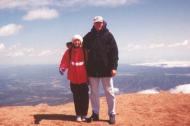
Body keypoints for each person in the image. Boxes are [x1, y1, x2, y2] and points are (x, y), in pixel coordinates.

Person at [83, 16, 119, 124]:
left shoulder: (108, 35)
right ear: (93, 24)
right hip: (92, 70)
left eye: (100, 23)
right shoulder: (89, 36)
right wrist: (71, 45)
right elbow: (80, 46)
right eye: (96, 23)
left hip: (106, 69)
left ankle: (112, 113)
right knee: (94, 93)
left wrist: (114, 67)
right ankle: (95, 113)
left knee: (109, 92)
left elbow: (114, 52)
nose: (98, 24)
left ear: (103, 23)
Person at [59, 34, 89, 122]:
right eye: (75, 40)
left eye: (78, 40)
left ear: (81, 42)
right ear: (73, 42)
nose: (77, 42)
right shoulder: (69, 51)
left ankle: (84, 114)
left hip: (84, 79)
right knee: (76, 97)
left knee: (84, 97)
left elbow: (89, 62)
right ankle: (78, 115)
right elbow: (65, 61)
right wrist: (62, 68)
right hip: (73, 79)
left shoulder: (85, 51)